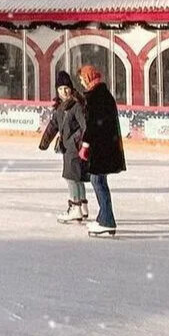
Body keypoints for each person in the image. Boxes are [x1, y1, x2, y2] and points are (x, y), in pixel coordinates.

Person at [76, 64, 125, 237]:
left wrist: (86, 145)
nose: (81, 83)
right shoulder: (103, 93)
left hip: (101, 148)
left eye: (82, 79)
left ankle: (107, 221)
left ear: (88, 78)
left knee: (98, 182)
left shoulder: (96, 96)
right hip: (106, 146)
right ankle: (102, 217)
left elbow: (92, 125)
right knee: (100, 182)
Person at [37, 71, 89, 224]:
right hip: (67, 147)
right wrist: (44, 142)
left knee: (71, 177)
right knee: (76, 177)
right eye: (60, 89)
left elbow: (85, 126)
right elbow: (53, 126)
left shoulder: (76, 105)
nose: (63, 92)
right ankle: (82, 206)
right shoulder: (60, 107)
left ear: (71, 88)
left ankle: (75, 208)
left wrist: (76, 141)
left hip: (74, 147)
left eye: (66, 88)